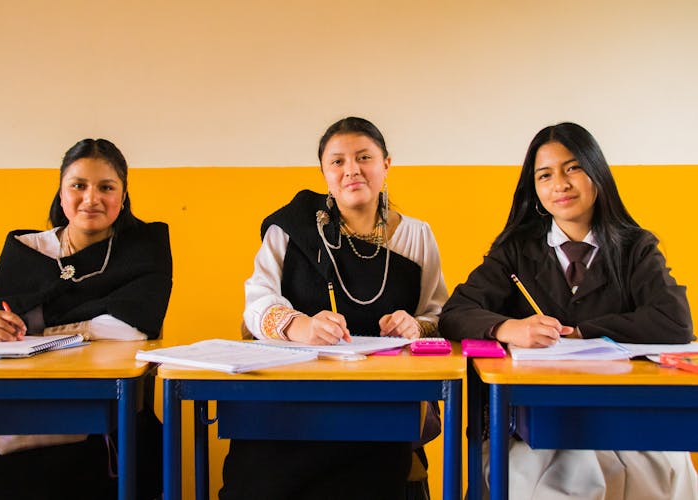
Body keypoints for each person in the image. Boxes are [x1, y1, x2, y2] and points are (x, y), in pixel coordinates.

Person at [439, 122, 698, 499]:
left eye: (573, 168)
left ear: (597, 173)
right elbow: (455, 312)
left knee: (667, 476)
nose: (560, 184)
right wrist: (507, 328)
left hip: (621, 422)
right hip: (535, 428)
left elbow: (675, 322)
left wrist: (581, 332)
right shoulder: (515, 250)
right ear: (535, 189)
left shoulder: (635, 247)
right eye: (545, 175)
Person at [220, 117, 448, 500]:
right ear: (324, 172)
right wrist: (300, 326)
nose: (351, 170)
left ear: (386, 165)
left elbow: (438, 315)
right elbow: (256, 303)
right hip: (292, 394)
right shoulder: (290, 230)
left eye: (364, 157)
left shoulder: (416, 235)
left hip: (379, 399)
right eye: (337, 162)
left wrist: (415, 326)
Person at [0, 138, 172, 500]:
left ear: (123, 194)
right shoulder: (26, 249)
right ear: (60, 192)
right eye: (78, 186)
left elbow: (133, 326)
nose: (91, 198)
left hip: (101, 409)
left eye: (106, 187)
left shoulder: (145, 248)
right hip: (21, 408)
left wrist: (41, 334)